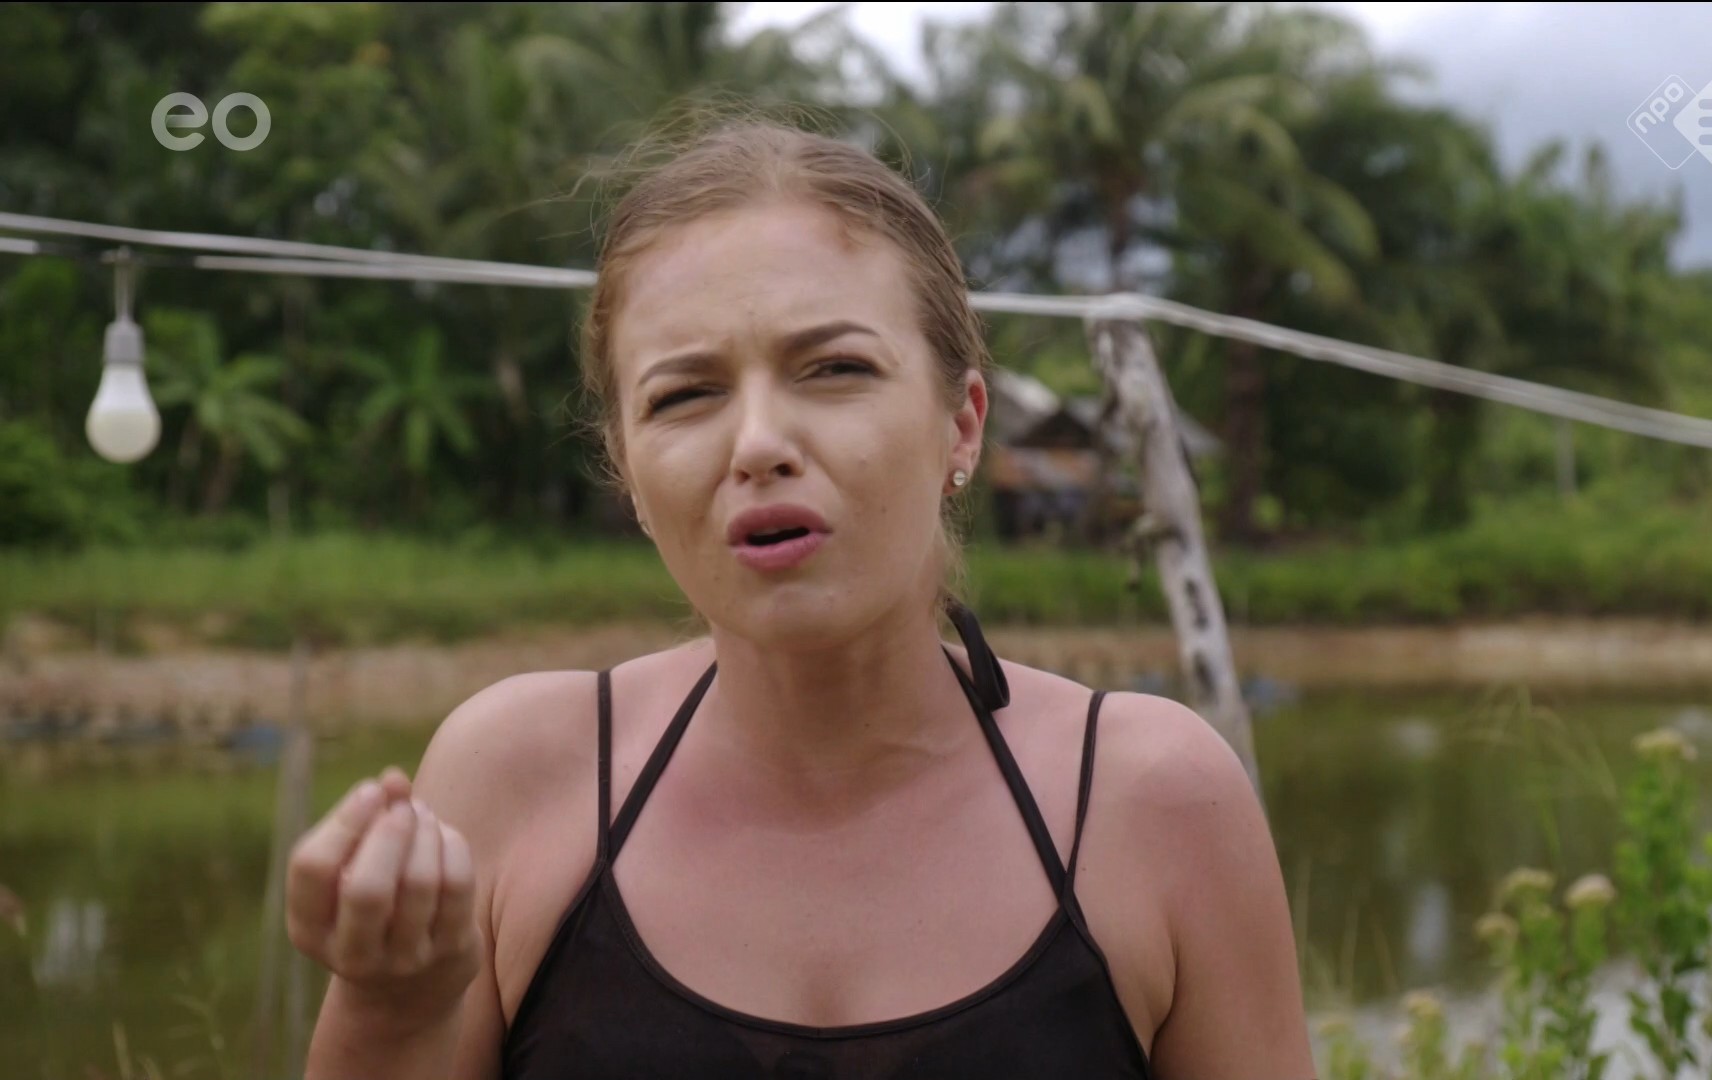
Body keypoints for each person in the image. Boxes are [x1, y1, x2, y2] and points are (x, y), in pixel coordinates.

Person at [285, 113, 1317, 1080]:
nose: (759, 444)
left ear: (961, 424)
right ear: (628, 469)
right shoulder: (515, 779)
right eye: (686, 394)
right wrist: (395, 1007)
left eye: (833, 369)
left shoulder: (1155, 801)